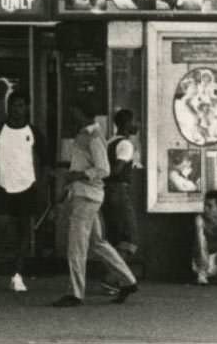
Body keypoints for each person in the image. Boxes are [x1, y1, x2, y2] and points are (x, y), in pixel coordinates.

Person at [52, 98, 138, 307]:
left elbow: (104, 169)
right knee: (97, 243)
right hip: (86, 194)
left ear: (83, 114)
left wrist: (76, 176)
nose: (71, 117)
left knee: (76, 246)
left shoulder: (93, 137)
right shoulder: (86, 135)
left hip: (87, 196)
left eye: (74, 112)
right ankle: (128, 281)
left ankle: (76, 292)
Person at [0, 91, 49, 293]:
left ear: (27, 108)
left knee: (24, 232)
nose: (16, 109)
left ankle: (17, 275)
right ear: (8, 107)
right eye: (13, 105)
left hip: (27, 187)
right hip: (3, 187)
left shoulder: (34, 133)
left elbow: (45, 162)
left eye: (20, 105)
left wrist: (40, 185)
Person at [101, 109, 140, 296]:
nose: (137, 125)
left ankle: (113, 277)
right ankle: (112, 278)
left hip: (106, 193)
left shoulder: (109, 141)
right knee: (129, 238)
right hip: (118, 190)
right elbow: (116, 170)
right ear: (126, 124)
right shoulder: (125, 144)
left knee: (115, 236)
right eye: (134, 121)